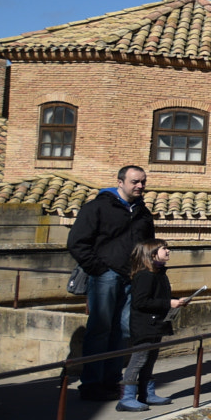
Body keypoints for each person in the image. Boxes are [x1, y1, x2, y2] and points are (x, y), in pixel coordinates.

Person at [66, 165, 156, 398]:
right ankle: (92, 384)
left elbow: (149, 245)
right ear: (120, 182)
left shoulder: (143, 213)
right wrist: (99, 268)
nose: (140, 186)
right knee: (100, 328)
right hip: (105, 276)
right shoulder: (97, 207)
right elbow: (77, 242)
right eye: (135, 181)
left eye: (143, 182)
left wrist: (146, 272)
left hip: (133, 277)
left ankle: (111, 380)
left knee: (124, 330)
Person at [118, 239, 187, 412]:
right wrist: (168, 303)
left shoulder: (159, 274)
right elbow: (141, 302)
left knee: (150, 359)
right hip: (144, 325)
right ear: (152, 253)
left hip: (156, 324)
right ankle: (126, 397)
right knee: (139, 359)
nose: (168, 251)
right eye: (164, 248)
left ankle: (146, 393)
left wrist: (175, 303)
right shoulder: (144, 275)